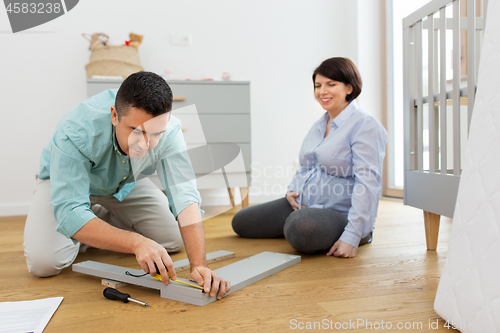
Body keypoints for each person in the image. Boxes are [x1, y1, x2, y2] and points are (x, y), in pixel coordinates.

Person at [24, 71, 230, 299]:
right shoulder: (75, 129)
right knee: (45, 263)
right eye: (135, 131)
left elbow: (185, 196)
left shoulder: (170, 130)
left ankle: (94, 222)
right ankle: (88, 222)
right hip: (67, 187)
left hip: (123, 185)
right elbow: (70, 211)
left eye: (155, 134)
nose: (145, 144)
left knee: (173, 239)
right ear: (114, 116)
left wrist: (199, 265)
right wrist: (136, 243)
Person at [232, 57, 388, 258]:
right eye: (318, 85)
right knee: (241, 222)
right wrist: (293, 189)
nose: (322, 91)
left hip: (341, 215)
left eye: (331, 84)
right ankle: (301, 220)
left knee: (301, 228)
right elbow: (306, 167)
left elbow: (368, 182)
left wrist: (353, 236)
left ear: (349, 88)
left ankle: (329, 228)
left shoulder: (365, 126)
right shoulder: (319, 125)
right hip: (303, 204)